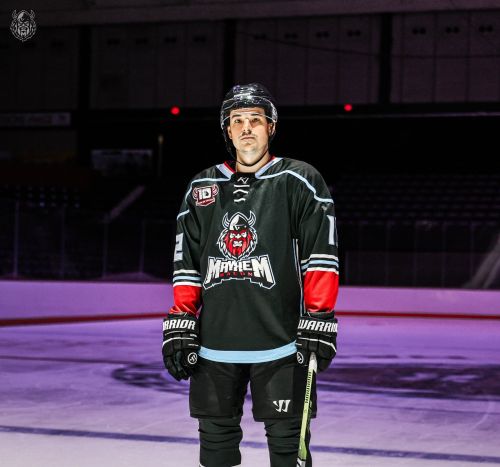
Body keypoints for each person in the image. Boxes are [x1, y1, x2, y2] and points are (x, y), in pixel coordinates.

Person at [162, 83, 339, 467]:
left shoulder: (299, 179)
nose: (246, 128)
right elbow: (186, 262)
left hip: (282, 345)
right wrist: (181, 317)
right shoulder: (201, 187)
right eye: (237, 120)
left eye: (255, 120)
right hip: (213, 348)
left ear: (270, 127)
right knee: (215, 454)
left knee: (289, 452)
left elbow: (320, 255)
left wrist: (320, 314)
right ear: (227, 130)